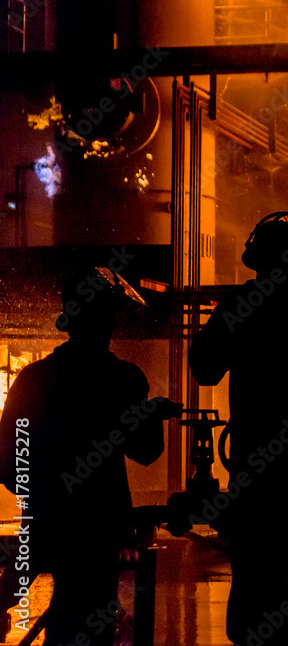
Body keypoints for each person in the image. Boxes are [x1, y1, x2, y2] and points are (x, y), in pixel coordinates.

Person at [189, 214, 288, 646]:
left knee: (256, 607)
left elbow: (204, 369)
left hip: (256, 480)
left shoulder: (241, 307)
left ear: (255, 258)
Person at [0, 267, 175, 644]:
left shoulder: (33, 379)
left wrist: (44, 498)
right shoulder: (124, 380)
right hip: (102, 532)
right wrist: (149, 416)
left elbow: (7, 462)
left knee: (60, 620)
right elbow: (147, 451)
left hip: (47, 525)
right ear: (109, 318)